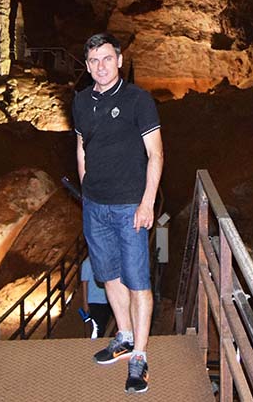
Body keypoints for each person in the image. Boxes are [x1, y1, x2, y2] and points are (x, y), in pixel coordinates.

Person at [74, 33, 163, 394]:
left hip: (130, 206)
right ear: (87, 65)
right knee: (108, 275)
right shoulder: (80, 101)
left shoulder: (138, 100)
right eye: (94, 60)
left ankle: (139, 356)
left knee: (138, 282)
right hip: (95, 206)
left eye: (107, 59)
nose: (101, 67)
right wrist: (86, 191)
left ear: (120, 60)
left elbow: (156, 155)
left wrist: (147, 203)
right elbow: (81, 146)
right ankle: (123, 337)